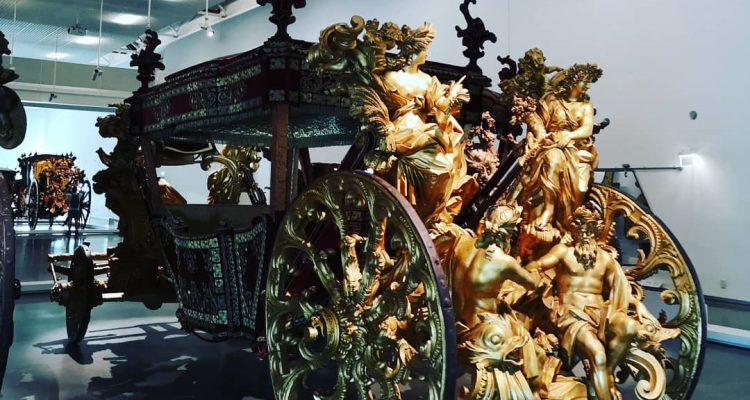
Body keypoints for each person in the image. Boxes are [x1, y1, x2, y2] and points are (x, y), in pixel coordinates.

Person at [526, 206, 636, 400]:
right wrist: (531, 274)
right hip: (571, 314)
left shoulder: (606, 259)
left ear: (597, 230)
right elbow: (539, 264)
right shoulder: (563, 252)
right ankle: (603, 386)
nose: (585, 233)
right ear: (573, 230)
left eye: (590, 229)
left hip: (600, 314)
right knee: (598, 354)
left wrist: (639, 308)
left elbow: (621, 289)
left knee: (630, 327)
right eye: (580, 228)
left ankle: (606, 375)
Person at [519, 64, 602, 241]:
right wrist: (539, 138)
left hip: (574, 148)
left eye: (589, 83)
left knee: (580, 188)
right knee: (554, 160)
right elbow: (538, 122)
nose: (587, 86)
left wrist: (570, 136)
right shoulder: (553, 102)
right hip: (551, 144)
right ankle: (548, 210)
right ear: (573, 81)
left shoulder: (585, 106)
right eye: (584, 82)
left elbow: (587, 128)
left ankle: (568, 221)